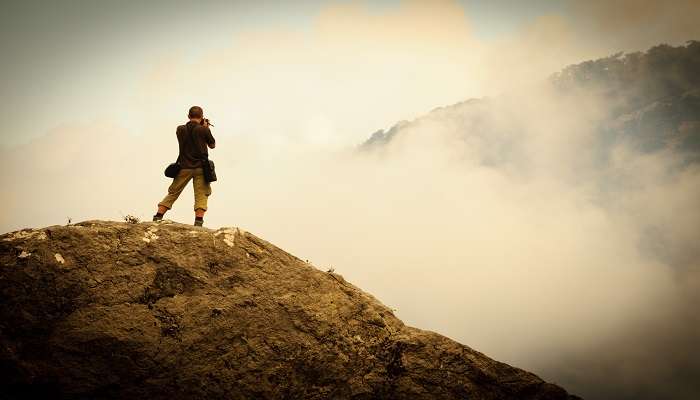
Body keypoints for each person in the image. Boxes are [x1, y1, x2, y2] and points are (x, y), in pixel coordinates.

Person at [153, 106, 216, 226]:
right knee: (202, 194)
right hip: (201, 168)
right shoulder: (204, 130)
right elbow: (212, 145)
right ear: (202, 117)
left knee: (173, 192)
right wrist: (206, 128)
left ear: (188, 116)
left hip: (184, 167)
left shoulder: (180, 129)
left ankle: (158, 216)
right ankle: (198, 222)